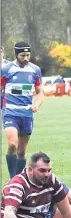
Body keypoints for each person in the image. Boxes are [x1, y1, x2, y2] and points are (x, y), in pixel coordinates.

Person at [1, 152, 71, 218]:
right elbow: (8, 214)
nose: (47, 174)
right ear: (30, 169)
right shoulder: (17, 185)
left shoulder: (52, 181)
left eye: (49, 170)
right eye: (42, 171)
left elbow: (65, 212)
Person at [1, 41, 45, 178]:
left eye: (28, 55)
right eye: (22, 55)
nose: (26, 58)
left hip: (26, 114)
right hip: (10, 112)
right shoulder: (6, 70)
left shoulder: (35, 70)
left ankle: (18, 180)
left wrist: (36, 104)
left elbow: (40, 92)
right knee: (12, 144)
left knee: (21, 152)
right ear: (16, 54)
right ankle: (12, 180)